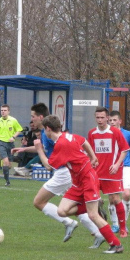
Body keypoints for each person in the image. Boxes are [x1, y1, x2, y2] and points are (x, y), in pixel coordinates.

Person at [35, 115, 123, 253]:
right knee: (62, 211)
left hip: (87, 179)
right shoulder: (68, 136)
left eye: (44, 130)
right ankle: (92, 205)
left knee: (93, 215)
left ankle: (116, 245)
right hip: (77, 182)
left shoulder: (62, 144)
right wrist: (93, 157)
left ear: (48, 129)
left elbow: (48, 166)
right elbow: (84, 141)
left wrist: (39, 149)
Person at [10, 103, 79, 242]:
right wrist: (24, 149)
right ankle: (97, 230)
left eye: (33, 116)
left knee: (39, 202)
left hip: (63, 172)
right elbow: (42, 149)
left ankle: (72, 221)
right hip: (66, 172)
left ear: (40, 117)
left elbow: (47, 158)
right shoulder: (46, 133)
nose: (31, 119)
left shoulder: (48, 134)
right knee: (72, 203)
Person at [88, 106, 130, 238]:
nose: (100, 120)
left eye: (102, 117)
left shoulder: (115, 132)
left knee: (115, 199)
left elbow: (124, 150)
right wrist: (91, 161)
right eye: (97, 117)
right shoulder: (92, 133)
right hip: (96, 172)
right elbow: (89, 150)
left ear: (107, 118)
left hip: (112, 172)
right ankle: (102, 226)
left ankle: (122, 228)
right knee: (94, 201)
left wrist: (117, 165)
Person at [109, 110, 130, 232]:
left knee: (126, 194)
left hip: (126, 167)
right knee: (113, 197)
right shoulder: (106, 134)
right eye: (110, 120)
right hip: (111, 168)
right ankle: (115, 224)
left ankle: (124, 222)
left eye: (114, 120)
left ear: (120, 121)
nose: (112, 122)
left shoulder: (127, 134)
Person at [0, 104, 23, 187]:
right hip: (1, 143)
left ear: (8, 111)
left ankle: (8, 167)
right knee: (5, 161)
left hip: (10, 144)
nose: (3, 112)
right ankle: (7, 181)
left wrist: (13, 137)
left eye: (5, 110)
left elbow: (19, 129)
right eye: (2, 110)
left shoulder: (13, 120)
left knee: (9, 164)